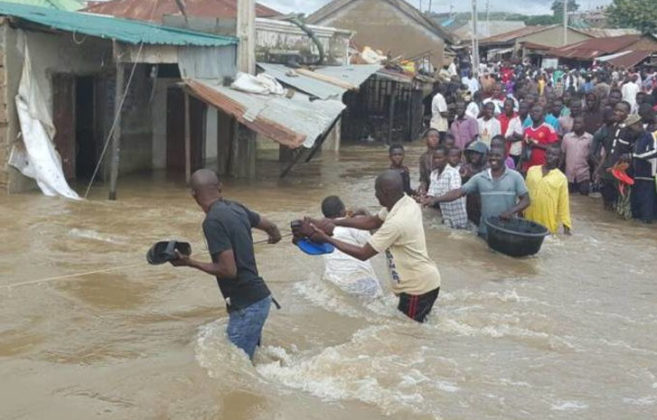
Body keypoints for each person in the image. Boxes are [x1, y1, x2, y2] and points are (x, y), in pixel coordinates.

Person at [170, 169, 281, 360]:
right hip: (257, 299)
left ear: (194, 195)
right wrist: (274, 235)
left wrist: (190, 262)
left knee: (236, 366)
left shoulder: (212, 222)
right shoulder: (236, 207)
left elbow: (228, 270)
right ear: (220, 188)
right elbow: (271, 227)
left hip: (248, 305)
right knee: (249, 364)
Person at [307, 170, 442, 323]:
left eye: (376, 191)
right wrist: (335, 222)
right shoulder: (403, 202)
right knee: (412, 328)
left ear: (386, 193)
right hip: (422, 282)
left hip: (416, 289)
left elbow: (363, 253)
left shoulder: (396, 222)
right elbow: (371, 222)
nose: (375, 195)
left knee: (407, 334)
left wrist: (325, 238)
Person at [428, 145, 530, 238]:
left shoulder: (515, 176)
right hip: (484, 231)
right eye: (491, 155)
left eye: (497, 155)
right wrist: (435, 200)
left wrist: (510, 212)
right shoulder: (480, 177)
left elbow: (526, 200)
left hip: (508, 230)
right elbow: (457, 192)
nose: (493, 158)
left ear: (505, 157)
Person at [319, 196, 383, 299]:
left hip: (336, 282)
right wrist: (365, 213)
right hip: (361, 281)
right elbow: (376, 239)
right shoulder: (353, 226)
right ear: (342, 212)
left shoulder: (320, 231)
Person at [524, 145, 572, 235]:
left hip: (547, 223)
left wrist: (566, 228)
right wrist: (520, 214)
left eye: (554, 155)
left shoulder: (561, 178)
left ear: (559, 157)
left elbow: (563, 204)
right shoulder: (532, 171)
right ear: (545, 154)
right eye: (548, 153)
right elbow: (524, 195)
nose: (550, 156)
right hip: (529, 220)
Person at [424, 146, 469, 229]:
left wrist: (435, 200)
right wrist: (423, 200)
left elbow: (455, 193)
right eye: (434, 158)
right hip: (446, 218)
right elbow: (431, 195)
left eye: (439, 158)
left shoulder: (453, 173)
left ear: (446, 158)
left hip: (458, 219)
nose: (436, 160)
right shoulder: (434, 174)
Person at [561, 116, 593, 195]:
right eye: (575, 123)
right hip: (569, 175)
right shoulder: (567, 137)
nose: (576, 125)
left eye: (579, 123)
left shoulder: (590, 138)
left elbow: (592, 157)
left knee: (584, 200)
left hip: (583, 175)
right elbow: (562, 154)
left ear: (584, 124)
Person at [631, 129, 657, 223]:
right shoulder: (636, 139)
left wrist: (635, 156)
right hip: (637, 176)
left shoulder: (650, 136)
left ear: (638, 125)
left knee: (647, 205)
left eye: (632, 130)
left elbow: (654, 152)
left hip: (648, 175)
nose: (631, 132)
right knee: (637, 207)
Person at [523, 105, 559, 172]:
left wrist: (536, 145)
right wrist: (521, 164)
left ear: (543, 113)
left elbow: (554, 148)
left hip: (543, 167)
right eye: (532, 112)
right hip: (529, 167)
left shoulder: (548, 128)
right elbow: (524, 147)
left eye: (537, 111)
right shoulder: (527, 129)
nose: (534, 113)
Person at [505, 101, 531, 166]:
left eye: (525, 108)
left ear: (528, 110)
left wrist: (516, 135)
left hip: (527, 153)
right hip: (514, 152)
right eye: (521, 108)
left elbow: (531, 139)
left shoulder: (532, 121)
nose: (523, 110)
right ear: (519, 109)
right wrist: (523, 138)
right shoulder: (513, 121)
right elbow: (507, 137)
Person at [419, 128, 441, 194]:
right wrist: (423, 191)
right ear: (426, 139)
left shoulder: (444, 155)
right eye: (431, 136)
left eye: (437, 137)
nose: (434, 139)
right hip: (429, 190)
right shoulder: (423, 157)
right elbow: (423, 178)